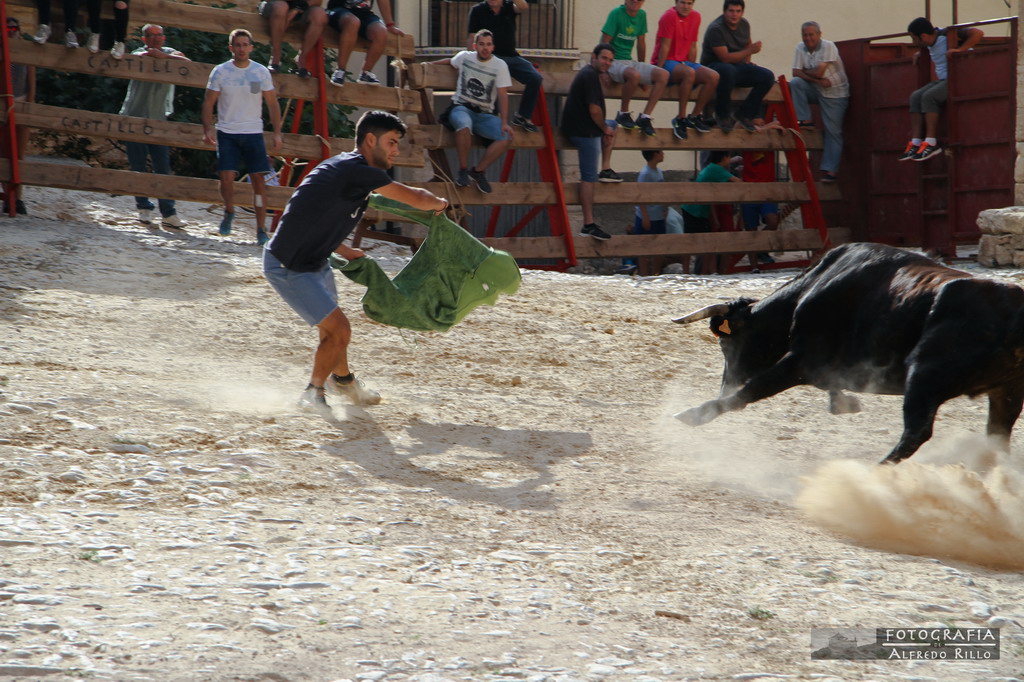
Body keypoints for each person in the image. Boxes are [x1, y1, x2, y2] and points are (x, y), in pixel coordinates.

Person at [263, 110, 449, 412]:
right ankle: (313, 392)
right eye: (391, 142)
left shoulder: (347, 169)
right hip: (289, 266)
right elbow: (416, 198)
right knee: (340, 330)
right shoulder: (359, 171)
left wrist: (343, 249)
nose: (396, 151)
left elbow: (314, 216)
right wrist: (439, 204)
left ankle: (343, 381)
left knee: (333, 331)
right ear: (371, 140)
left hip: (314, 260)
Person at [202, 28, 284, 244]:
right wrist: (207, 128)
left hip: (253, 132)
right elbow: (209, 101)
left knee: (259, 181)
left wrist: (277, 133)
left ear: (251, 47)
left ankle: (260, 228)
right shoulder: (221, 71)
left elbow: (272, 103)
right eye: (237, 45)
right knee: (226, 176)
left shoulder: (259, 72)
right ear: (231, 47)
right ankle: (229, 210)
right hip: (227, 131)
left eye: (245, 45)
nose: (241, 49)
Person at [120, 24, 190, 228]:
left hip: (159, 118)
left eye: (159, 35)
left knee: (163, 166)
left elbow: (188, 63)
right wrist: (152, 55)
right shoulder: (138, 52)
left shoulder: (171, 53)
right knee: (138, 166)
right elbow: (135, 59)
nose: (156, 38)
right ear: (144, 39)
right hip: (135, 116)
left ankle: (168, 213)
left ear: (164, 37)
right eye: (151, 35)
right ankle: (143, 208)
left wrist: (164, 57)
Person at [432, 29, 513, 194]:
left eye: (488, 45)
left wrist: (504, 122)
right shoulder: (464, 57)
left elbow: (503, 95)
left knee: (506, 136)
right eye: (482, 44)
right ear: (475, 46)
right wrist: (427, 65)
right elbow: (450, 61)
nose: (485, 48)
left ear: (493, 47)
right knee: (464, 125)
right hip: (461, 107)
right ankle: (463, 170)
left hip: (484, 114)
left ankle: (478, 171)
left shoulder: (500, 65)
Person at [898, 17, 983, 162]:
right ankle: (916, 142)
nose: (913, 43)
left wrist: (959, 50)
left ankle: (931, 142)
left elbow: (978, 33)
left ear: (923, 36)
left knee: (929, 96)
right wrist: (920, 53)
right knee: (915, 96)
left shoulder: (946, 34)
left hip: (959, 77)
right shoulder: (929, 43)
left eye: (914, 39)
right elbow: (930, 49)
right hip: (944, 79)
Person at [561, 43, 617, 241]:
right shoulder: (590, 76)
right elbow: (594, 110)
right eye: (604, 58)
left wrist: (605, 128)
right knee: (588, 178)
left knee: (614, 124)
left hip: (581, 127)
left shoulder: (589, 73)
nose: (607, 63)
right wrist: (604, 129)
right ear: (594, 57)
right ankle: (588, 223)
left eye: (610, 60)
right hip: (584, 132)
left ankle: (606, 168)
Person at [467, 0, 543, 133]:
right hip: (491, 58)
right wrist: (472, 59)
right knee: (496, 81)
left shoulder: (509, 7)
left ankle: (523, 116)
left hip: (512, 56)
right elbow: (472, 37)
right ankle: (494, 118)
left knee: (535, 77)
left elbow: (523, 6)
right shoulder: (477, 10)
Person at [699, 0, 774, 133]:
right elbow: (725, 58)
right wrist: (750, 51)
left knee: (767, 76)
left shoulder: (744, 24)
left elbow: (747, 42)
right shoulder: (716, 29)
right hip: (713, 68)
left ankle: (745, 113)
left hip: (736, 66)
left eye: (738, 11)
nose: (734, 15)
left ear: (742, 12)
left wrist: (747, 62)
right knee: (727, 70)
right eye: (731, 11)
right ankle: (722, 115)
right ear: (724, 12)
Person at [790, 21, 849, 182]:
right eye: (805, 35)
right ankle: (805, 119)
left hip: (835, 93)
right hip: (818, 88)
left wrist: (806, 72)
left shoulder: (828, 45)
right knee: (795, 83)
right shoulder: (800, 47)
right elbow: (796, 73)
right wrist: (816, 80)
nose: (808, 38)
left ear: (819, 34)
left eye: (811, 35)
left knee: (833, 131)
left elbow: (818, 72)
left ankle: (830, 171)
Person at [600, 0, 668, 139]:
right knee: (634, 75)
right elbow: (604, 42)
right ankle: (623, 113)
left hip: (629, 61)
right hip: (613, 60)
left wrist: (644, 74)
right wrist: (603, 70)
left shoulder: (642, 15)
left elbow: (641, 43)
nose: (636, 1)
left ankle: (645, 116)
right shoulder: (616, 13)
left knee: (663, 75)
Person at [652, 0, 718, 140]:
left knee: (713, 76)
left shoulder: (696, 16)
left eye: (689, 3)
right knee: (689, 73)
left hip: (684, 62)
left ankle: (694, 116)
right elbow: (665, 46)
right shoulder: (669, 16)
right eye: (682, 2)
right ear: (676, 2)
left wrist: (693, 65)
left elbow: (693, 45)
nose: (686, 6)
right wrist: (659, 71)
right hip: (667, 61)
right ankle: (681, 118)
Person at [681, 150, 740, 273]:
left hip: (695, 208)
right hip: (695, 210)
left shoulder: (711, 167)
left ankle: (696, 272)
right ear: (724, 158)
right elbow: (739, 183)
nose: (729, 160)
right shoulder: (717, 170)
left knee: (697, 241)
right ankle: (698, 272)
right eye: (728, 157)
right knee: (695, 242)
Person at [2, 17, 35, 215]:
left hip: (21, 103)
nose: (10, 32)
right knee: (3, 153)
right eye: (7, 29)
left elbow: (31, 84)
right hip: (2, 106)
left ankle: (18, 198)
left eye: (13, 29)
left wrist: (29, 108)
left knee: (19, 155)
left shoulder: (26, 51)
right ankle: (8, 197)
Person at [326, 0, 403, 86]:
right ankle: (340, 70)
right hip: (338, 10)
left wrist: (390, 25)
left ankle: (366, 73)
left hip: (364, 13)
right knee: (353, 22)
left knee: (381, 32)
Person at [258, 0, 327, 76]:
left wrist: (298, 8)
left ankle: (302, 58)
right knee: (281, 7)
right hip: (275, 4)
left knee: (319, 14)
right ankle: (275, 57)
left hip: (301, 7)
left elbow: (317, 1)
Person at [739, 150, 778, 269]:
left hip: (767, 189)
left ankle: (760, 248)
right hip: (749, 189)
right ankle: (754, 267)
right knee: (751, 229)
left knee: (773, 222)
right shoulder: (746, 145)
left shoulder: (768, 144)